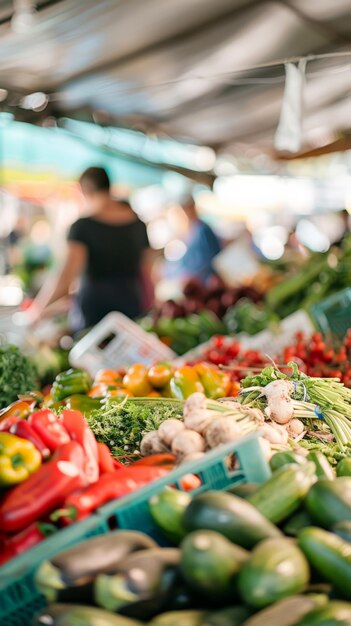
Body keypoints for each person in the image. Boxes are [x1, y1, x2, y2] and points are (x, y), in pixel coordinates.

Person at [26, 167, 152, 330]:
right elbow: (148, 270)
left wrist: (38, 310)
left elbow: (65, 277)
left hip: (95, 308)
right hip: (131, 301)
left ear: (86, 189)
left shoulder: (83, 226)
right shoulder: (138, 224)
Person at [177, 197, 221, 283]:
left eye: (188, 208)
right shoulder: (192, 230)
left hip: (209, 279)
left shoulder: (202, 229)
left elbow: (210, 256)